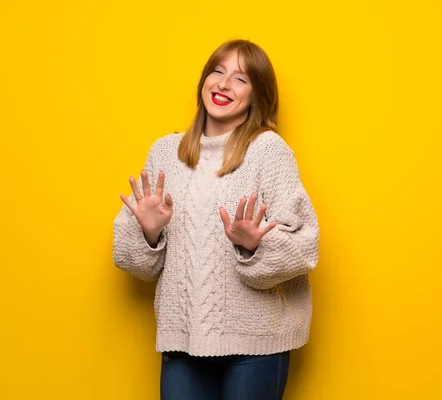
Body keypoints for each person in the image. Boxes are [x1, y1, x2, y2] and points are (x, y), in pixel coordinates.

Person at [112, 39, 320, 399]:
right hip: (183, 339)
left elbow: (305, 246)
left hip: (257, 346)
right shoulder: (165, 152)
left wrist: (254, 244)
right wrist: (148, 232)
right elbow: (132, 260)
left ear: (257, 96)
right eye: (218, 71)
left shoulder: (268, 151)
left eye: (240, 79)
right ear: (204, 82)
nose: (224, 84)